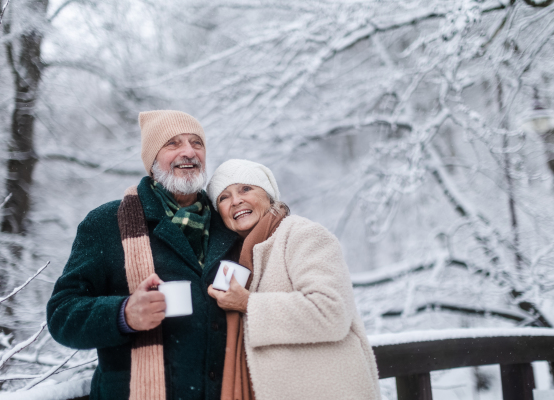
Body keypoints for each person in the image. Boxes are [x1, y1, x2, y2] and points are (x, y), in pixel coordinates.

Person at [47, 110, 241, 400]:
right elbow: (62, 316)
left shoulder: (230, 224)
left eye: (196, 143)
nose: (189, 152)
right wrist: (124, 313)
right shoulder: (106, 223)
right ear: (152, 160)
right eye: (173, 144)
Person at [206, 159, 381, 400]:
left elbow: (332, 312)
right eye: (223, 197)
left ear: (269, 196)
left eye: (246, 189)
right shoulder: (236, 258)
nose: (236, 200)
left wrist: (248, 303)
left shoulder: (302, 235)